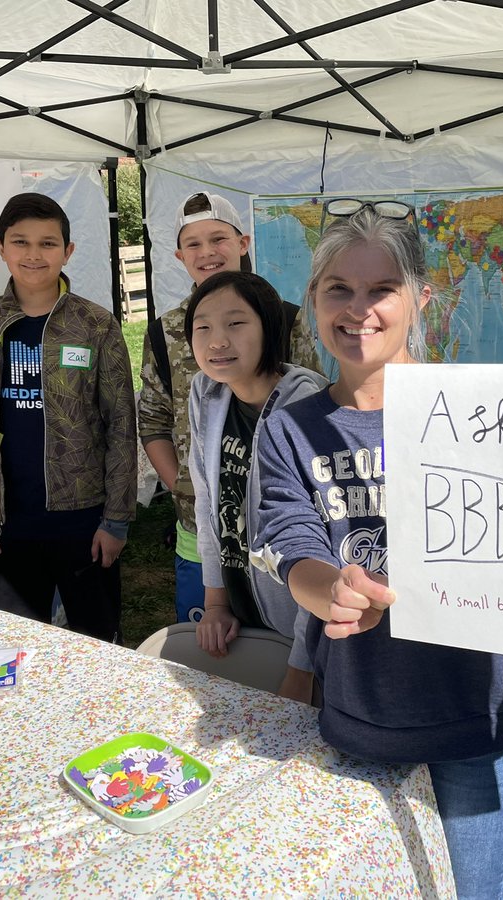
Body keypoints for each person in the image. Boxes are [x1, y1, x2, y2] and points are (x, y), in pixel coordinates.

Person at [251, 201, 503, 897]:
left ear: (420, 298)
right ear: (313, 301)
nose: (360, 310)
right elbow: (292, 538)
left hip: (482, 720)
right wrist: (333, 591)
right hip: (364, 713)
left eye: (381, 288)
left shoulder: (484, 409)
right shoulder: (290, 430)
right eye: (339, 290)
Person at [0, 193, 136, 643]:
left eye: (48, 243)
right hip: (8, 521)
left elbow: (121, 425)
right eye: (20, 242)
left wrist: (117, 520)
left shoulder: (95, 325)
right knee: (20, 644)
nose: (33, 255)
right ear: (0, 247)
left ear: (67, 251)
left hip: (84, 521)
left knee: (97, 641)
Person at [138, 191, 322, 627]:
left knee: (290, 639)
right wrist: (188, 485)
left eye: (218, 239)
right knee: (220, 642)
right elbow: (153, 419)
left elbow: (314, 412)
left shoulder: (286, 319)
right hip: (199, 526)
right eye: (194, 244)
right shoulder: (165, 332)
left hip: (283, 521)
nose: (207, 253)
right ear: (180, 255)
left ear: (242, 244)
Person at [185, 270, 327, 701]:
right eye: (203, 327)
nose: (217, 341)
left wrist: (303, 667)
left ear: (269, 327)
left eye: (235, 323)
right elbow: (207, 505)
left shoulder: (308, 405)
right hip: (243, 610)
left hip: (303, 625)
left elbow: (322, 549)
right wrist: (216, 605)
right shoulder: (206, 392)